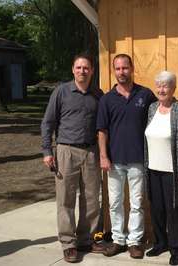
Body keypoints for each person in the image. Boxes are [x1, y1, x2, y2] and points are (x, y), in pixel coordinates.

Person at [41, 52, 105, 263]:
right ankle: (68, 243)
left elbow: (103, 126)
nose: (82, 71)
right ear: (73, 70)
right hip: (66, 150)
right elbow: (48, 123)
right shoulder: (61, 92)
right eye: (78, 67)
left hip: (90, 152)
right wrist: (47, 151)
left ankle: (86, 239)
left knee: (91, 199)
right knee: (66, 199)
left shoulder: (98, 94)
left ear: (92, 71)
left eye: (86, 68)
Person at [97, 53, 156, 259]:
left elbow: (159, 117)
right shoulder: (106, 99)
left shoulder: (146, 95)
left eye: (125, 68)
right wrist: (103, 156)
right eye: (118, 69)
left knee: (137, 203)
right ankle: (118, 240)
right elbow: (102, 130)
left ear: (132, 69)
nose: (121, 72)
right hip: (114, 161)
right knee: (115, 203)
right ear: (114, 71)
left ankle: (134, 242)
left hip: (138, 159)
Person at [144, 71, 178, 265]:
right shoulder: (152, 108)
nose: (161, 89)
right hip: (152, 168)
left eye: (166, 86)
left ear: (173, 89)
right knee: (156, 209)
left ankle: (177, 249)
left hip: (172, 171)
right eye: (159, 85)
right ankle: (160, 243)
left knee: (174, 211)